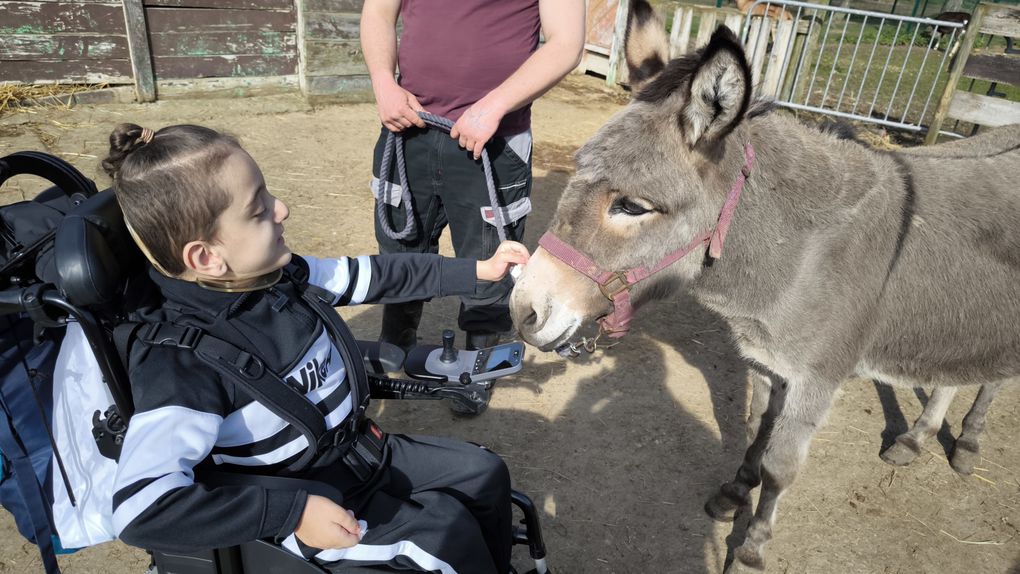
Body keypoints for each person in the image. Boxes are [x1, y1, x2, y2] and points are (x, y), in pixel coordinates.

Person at [104, 123, 530, 573]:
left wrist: (478, 270)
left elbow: (382, 275)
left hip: (361, 454)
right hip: (303, 508)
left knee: (483, 474)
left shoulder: (279, 278)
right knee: (447, 532)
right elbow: (139, 510)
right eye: (258, 208)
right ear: (207, 257)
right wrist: (293, 513)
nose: (282, 209)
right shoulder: (179, 362)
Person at [361, 0, 585, 352]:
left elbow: (566, 43)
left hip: (495, 139)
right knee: (400, 246)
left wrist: (494, 105)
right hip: (408, 128)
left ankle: (479, 363)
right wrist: (383, 82)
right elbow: (377, 11)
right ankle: (396, 343)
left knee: (490, 256)